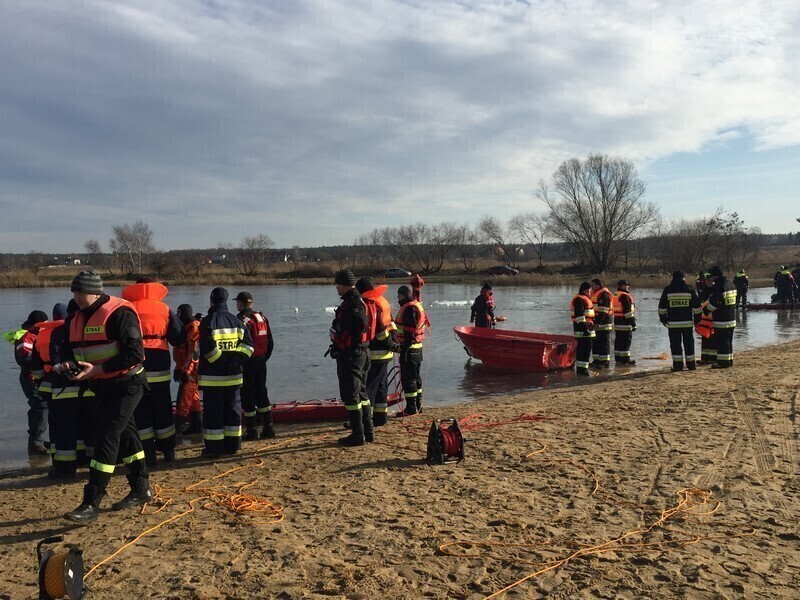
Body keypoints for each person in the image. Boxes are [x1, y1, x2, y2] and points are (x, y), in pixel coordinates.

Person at [57, 270, 151, 523]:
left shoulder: (120, 313)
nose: (76, 297)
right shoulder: (74, 318)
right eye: (74, 292)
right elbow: (68, 350)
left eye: (80, 292)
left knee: (106, 437)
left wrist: (96, 370)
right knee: (128, 437)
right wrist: (67, 363)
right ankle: (142, 489)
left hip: (128, 384)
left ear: (96, 292)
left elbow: (135, 355)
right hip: (102, 387)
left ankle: (91, 503)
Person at [122, 278, 185, 464]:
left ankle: (148, 454)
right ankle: (168, 451)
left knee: (140, 408)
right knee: (163, 406)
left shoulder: (127, 307)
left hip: (135, 359)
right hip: (159, 360)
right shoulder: (164, 308)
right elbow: (178, 337)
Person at [198, 287, 253, 456]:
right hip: (233, 378)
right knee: (233, 412)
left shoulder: (208, 321)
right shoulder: (237, 321)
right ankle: (233, 445)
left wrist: (223, 364)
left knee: (213, 414)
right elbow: (248, 346)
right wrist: (235, 363)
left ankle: (214, 448)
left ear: (212, 301)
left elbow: (207, 349)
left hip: (213, 379)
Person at [329, 270, 372, 446]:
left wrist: (341, 332)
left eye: (337, 284)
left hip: (353, 354)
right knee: (361, 393)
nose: (336, 288)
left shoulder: (353, 303)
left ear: (344, 285)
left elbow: (359, 323)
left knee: (351, 394)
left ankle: (358, 434)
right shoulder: (356, 300)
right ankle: (367, 432)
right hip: (360, 352)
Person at [30, 303, 72, 475]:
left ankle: (58, 461)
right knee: (78, 423)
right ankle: (82, 458)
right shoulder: (73, 330)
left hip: (49, 383)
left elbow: (36, 367)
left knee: (55, 424)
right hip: (73, 382)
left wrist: (40, 381)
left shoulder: (41, 335)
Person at [235, 291, 276, 440]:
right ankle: (268, 427)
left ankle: (251, 430)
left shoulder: (241, 320)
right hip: (261, 361)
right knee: (262, 392)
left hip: (247, 362)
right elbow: (270, 342)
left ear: (240, 304)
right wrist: (264, 358)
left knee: (248, 395)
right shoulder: (262, 318)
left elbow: (238, 342)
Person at [356, 278, 396, 426]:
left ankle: (365, 420)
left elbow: (379, 329)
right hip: (386, 352)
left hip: (376, 352)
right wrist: (393, 343)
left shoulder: (369, 304)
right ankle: (380, 418)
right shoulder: (381, 301)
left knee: (369, 388)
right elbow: (390, 323)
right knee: (381, 387)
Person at [14, 309, 50, 454]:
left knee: (40, 407)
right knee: (40, 406)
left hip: (37, 377)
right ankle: (36, 443)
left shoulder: (36, 335)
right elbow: (24, 358)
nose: (46, 326)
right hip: (30, 378)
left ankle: (37, 439)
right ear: (37, 324)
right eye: (44, 324)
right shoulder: (26, 337)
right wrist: (45, 359)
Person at [395, 285, 429, 415]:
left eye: (398, 296)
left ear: (403, 295)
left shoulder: (409, 308)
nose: (397, 298)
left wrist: (405, 348)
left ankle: (411, 408)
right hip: (417, 348)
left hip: (409, 348)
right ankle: (418, 405)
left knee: (408, 379)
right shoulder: (414, 305)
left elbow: (410, 329)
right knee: (415, 377)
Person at [658, 271, 702, 372]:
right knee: (689, 344)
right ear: (683, 278)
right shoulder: (689, 289)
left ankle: (678, 366)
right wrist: (697, 319)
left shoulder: (668, 289)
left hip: (673, 324)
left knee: (675, 345)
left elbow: (662, 307)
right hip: (687, 323)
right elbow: (697, 307)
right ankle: (691, 365)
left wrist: (663, 319)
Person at [173, 304, 203, 437]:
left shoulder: (193, 330)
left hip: (191, 371)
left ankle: (176, 432)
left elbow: (193, 354)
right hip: (187, 369)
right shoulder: (185, 329)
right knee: (194, 398)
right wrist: (177, 368)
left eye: (178, 313)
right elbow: (182, 352)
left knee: (182, 401)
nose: (177, 316)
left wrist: (186, 371)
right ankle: (196, 426)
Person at [704, 266, 737, 368]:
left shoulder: (719, 286)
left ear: (715, 276)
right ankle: (729, 361)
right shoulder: (731, 285)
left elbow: (716, 303)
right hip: (732, 318)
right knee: (728, 341)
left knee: (722, 342)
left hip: (721, 319)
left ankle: (723, 363)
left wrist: (706, 310)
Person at [571, 282, 595, 376]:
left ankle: (583, 369)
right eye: (590, 290)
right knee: (583, 350)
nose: (591, 291)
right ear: (585, 290)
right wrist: (585, 329)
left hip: (586, 329)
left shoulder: (584, 299)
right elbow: (580, 316)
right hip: (582, 331)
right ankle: (581, 370)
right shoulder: (579, 300)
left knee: (586, 350)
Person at [589, 279, 613, 368]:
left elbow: (603, 311)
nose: (591, 287)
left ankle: (604, 362)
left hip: (604, 323)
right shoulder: (594, 294)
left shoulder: (604, 295)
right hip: (596, 322)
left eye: (593, 285)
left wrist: (598, 322)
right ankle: (596, 361)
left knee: (604, 343)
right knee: (595, 343)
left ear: (598, 285)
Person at [613, 280, 636, 365]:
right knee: (626, 341)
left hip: (617, 321)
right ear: (622, 286)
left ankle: (618, 359)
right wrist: (633, 323)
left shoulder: (616, 294)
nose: (627, 287)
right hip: (625, 322)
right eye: (626, 285)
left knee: (618, 341)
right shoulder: (624, 296)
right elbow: (627, 312)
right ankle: (625, 360)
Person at [696, 272, 717, 365]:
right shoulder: (704, 290)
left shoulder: (716, 290)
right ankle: (704, 358)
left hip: (713, 319)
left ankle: (712, 358)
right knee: (704, 339)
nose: (708, 282)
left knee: (712, 339)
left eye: (710, 280)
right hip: (704, 319)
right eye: (707, 280)